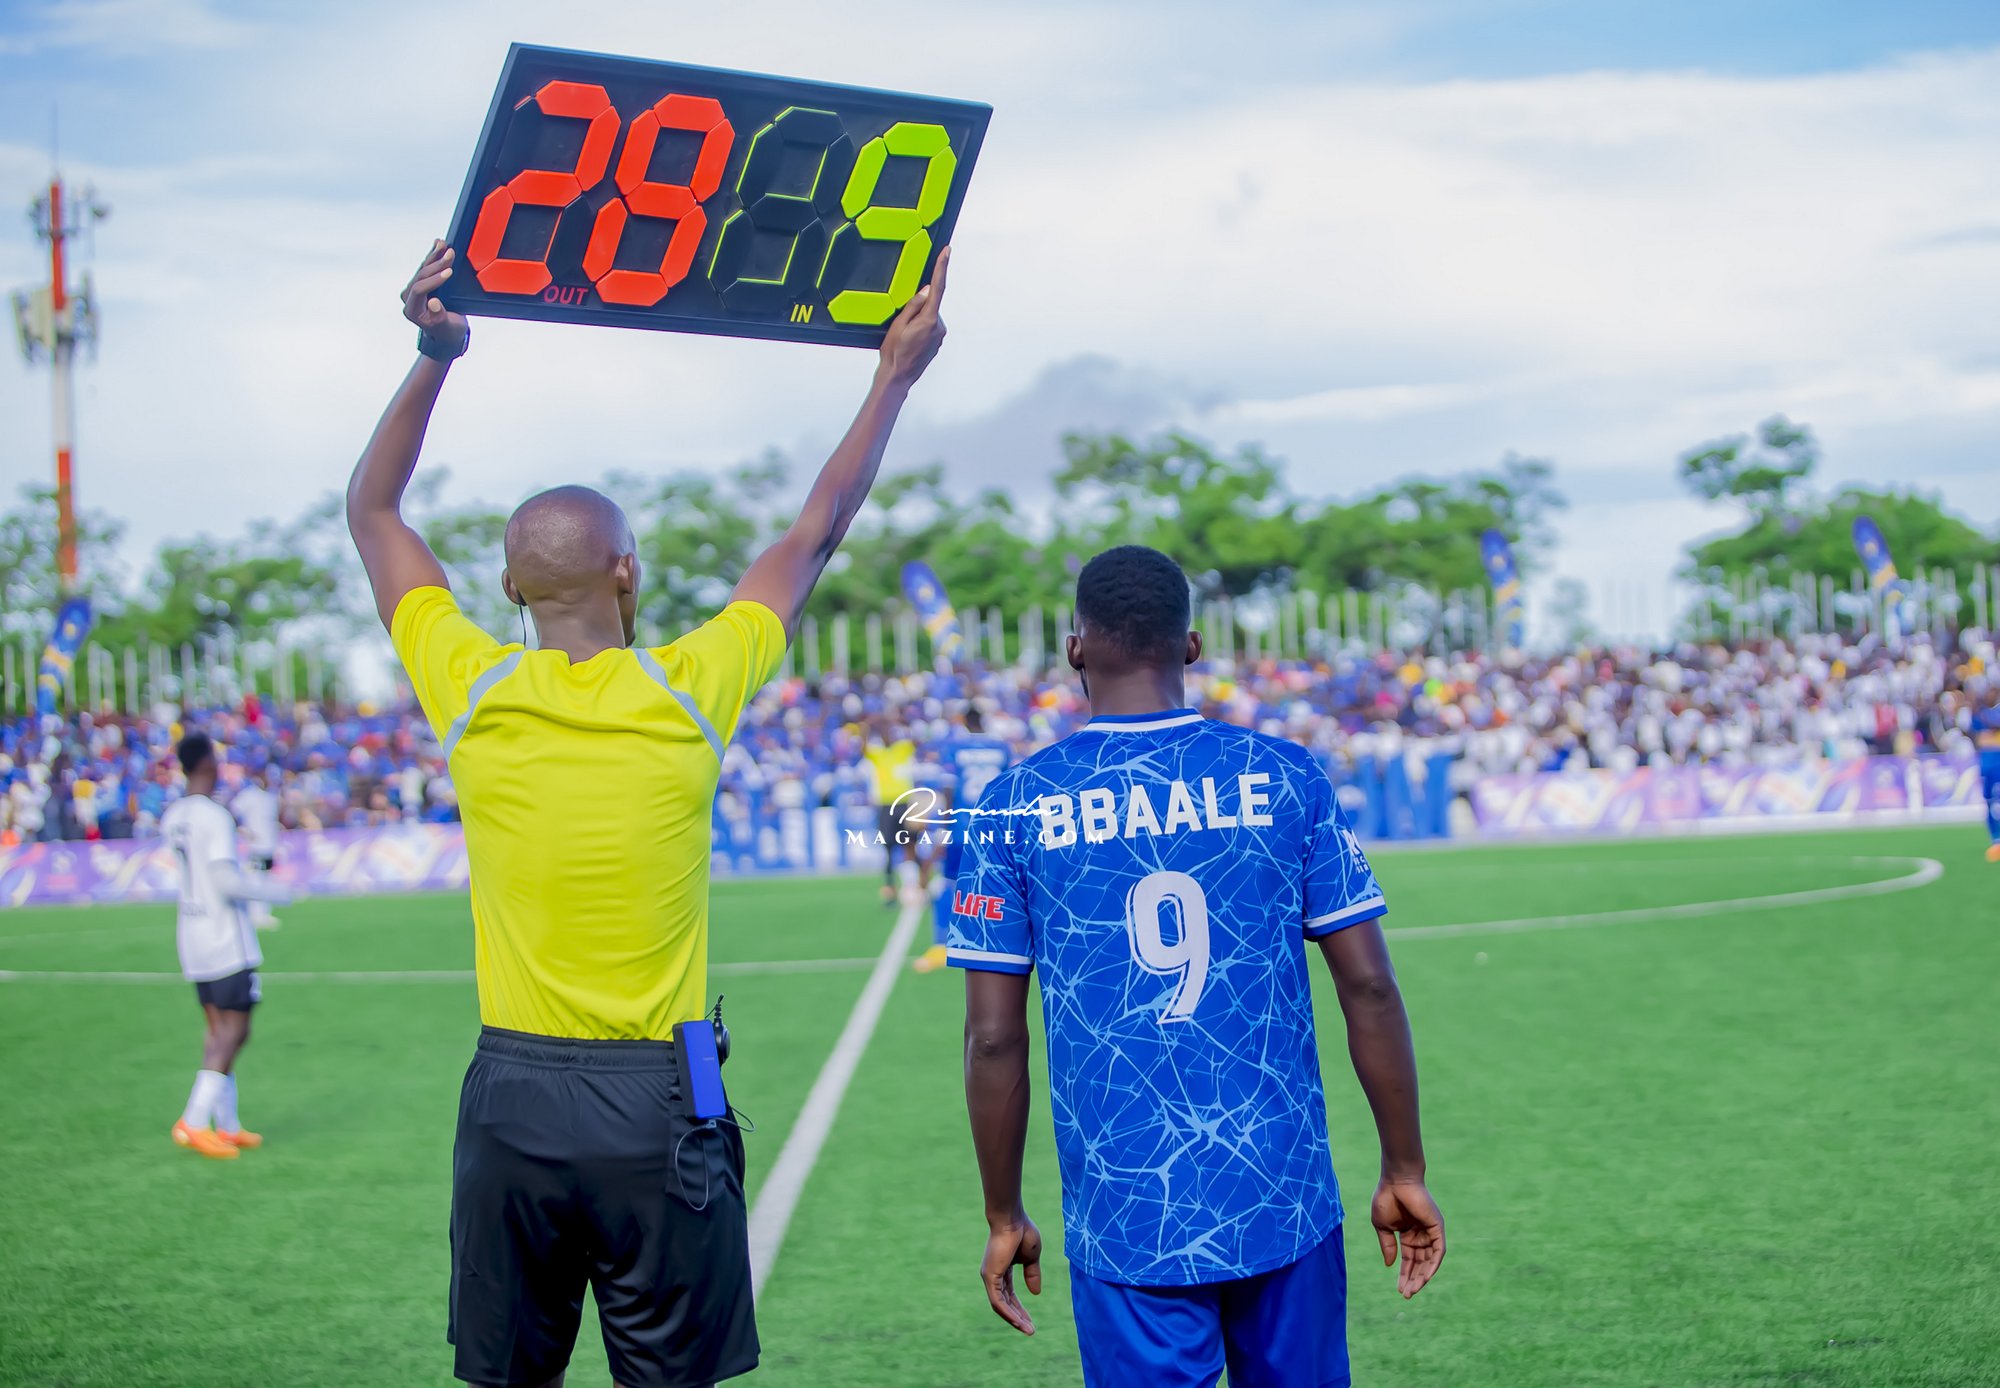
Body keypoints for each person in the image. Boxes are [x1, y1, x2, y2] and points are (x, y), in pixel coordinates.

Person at [347, 238, 949, 1388]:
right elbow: (813, 530)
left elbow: (372, 510)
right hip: (658, 1099)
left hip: (511, 1095)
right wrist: (892, 377)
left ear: (509, 587)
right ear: (628, 570)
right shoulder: (689, 688)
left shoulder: (467, 686)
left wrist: (435, 354)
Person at [950, 545, 1444, 1388]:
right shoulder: (1284, 774)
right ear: (1191, 645)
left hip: (1126, 1207)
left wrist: (1004, 1213)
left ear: (1075, 648)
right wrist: (1404, 1169)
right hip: (1281, 1191)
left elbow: (993, 1039)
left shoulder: (1012, 804)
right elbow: (1368, 985)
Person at [160, 731, 290, 1161]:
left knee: (218, 1028)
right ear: (206, 765)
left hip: (191, 933)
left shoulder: (174, 814)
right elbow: (225, 881)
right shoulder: (214, 816)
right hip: (223, 935)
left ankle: (228, 1125)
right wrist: (273, 892)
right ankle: (194, 1120)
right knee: (236, 1030)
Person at [913, 705, 1011, 973]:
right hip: (995, 829)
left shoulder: (954, 749)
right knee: (997, 884)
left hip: (962, 828)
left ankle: (940, 945)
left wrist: (944, 829)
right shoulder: (1000, 748)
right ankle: (997, 943)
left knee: (948, 883)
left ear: (964, 722)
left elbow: (948, 790)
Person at [863, 722, 921, 905]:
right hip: (886, 805)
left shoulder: (901, 749)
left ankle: (920, 885)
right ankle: (890, 890)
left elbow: (916, 742)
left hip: (904, 803)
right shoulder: (878, 754)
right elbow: (863, 748)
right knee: (888, 848)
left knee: (910, 845)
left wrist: (905, 723)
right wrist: (866, 728)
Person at [232, 768, 283, 929]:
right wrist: (243, 830)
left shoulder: (271, 797)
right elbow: (233, 812)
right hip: (254, 846)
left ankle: (264, 913)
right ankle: (255, 914)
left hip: (269, 845)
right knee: (255, 880)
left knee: (266, 879)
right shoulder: (249, 795)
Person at [1975, 687, 2000, 862]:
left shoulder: (1990, 714)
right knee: (1989, 802)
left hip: (1998, 764)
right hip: (1986, 766)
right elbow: (1977, 735)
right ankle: (1995, 838)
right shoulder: (1980, 714)